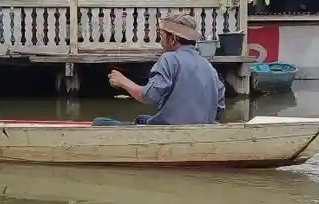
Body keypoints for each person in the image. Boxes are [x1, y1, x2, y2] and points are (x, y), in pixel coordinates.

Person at [93, 12, 224, 126]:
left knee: (99, 122)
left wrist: (123, 82)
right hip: (200, 132)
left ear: (173, 38)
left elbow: (150, 96)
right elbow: (219, 109)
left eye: (162, 36)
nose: (161, 41)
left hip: (170, 134)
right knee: (142, 119)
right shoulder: (209, 67)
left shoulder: (169, 59)